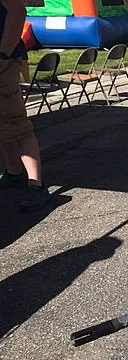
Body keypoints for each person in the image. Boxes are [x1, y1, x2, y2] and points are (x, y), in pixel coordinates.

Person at [0, 0, 48, 211]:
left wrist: (2, 55)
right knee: (3, 123)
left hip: (5, 61)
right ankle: (14, 172)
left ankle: (35, 184)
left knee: (17, 124)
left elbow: (18, 11)